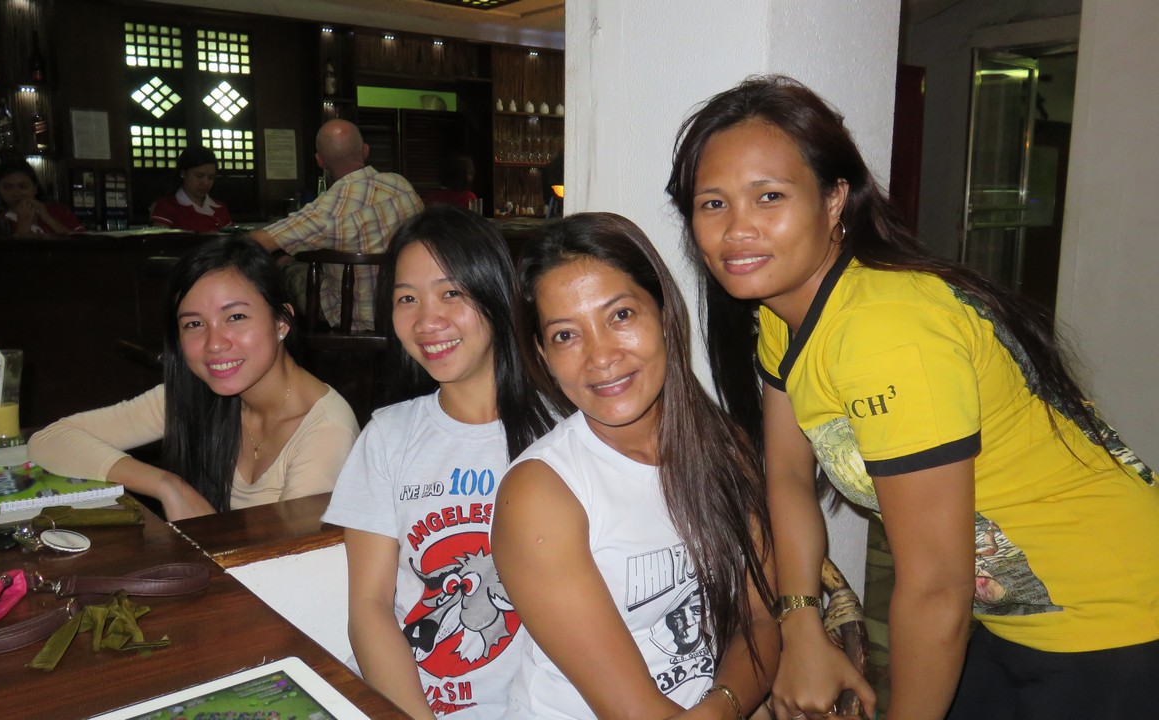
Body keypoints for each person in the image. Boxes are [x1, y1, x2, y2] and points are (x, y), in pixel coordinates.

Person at [667, 74, 1159, 720]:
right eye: (713, 203)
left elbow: (933, 591)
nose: (738, 230)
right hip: (1015, 617)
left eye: (769, 196)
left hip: (1117, 615)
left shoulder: (886, 331)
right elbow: (786, 473)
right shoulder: (784, 314)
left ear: (835, 199)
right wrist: (800, 620)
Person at [492, 212, 777, 720]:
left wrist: (722, 706)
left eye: (620, 315)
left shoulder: (723, 446)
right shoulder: (540, 495)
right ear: (543, 354)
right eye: (565, 335)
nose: (600, 356)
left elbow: (760, 618)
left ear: (663, 312)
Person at [321, 205, 555, 718]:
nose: (427, 321)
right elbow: (369, 608)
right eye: (407, 298)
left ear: (495, 292)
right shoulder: (389, 436)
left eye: (451, 293)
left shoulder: (561, 432)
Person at [29, 236, 360, 521]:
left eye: (236, 317)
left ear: (281, 322)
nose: (214, 343)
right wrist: (167, 485)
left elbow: (287, 561)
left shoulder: (326, 431)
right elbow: (49, 441)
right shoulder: (197, 393)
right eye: (194, 324)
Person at [250, 119, 423, 332]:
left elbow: (257, 242)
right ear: (365, 150)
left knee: (288, 266)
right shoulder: (402, 186)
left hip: (352, 317)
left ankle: (290, 341)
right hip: (406, 308)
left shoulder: (330, 207)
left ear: (320, 160)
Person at [150, 146, 233, 233]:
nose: (205, 183)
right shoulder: (166, 206)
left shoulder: (220, 208)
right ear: (183, 173)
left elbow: (232, 239)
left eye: (210, 177)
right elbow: (161, 239)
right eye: (199, 176)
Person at [0, 156, 84, 236]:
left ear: (35, 189)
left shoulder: (61, 212)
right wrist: (24, 227)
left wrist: (47, 218)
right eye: (8, 187)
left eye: (23, 186)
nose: (16, 193)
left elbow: (83, 242)